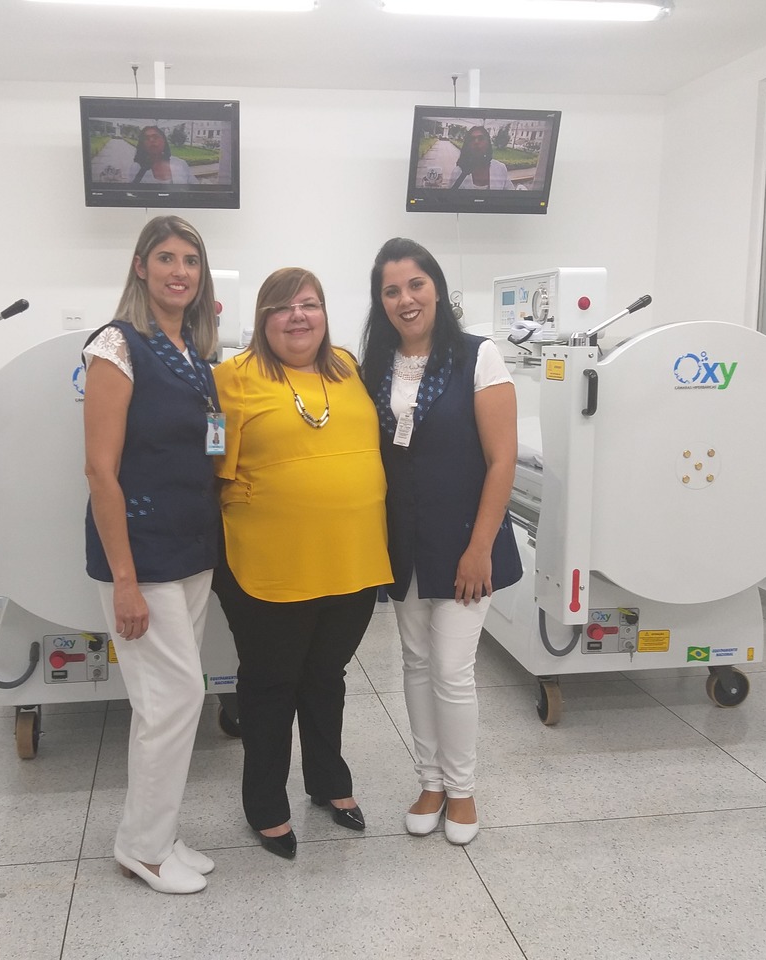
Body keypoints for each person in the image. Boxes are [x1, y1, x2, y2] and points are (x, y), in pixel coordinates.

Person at [212, 267, 392, 860]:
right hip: (269, 563)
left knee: (326, 675)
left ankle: (328, 781)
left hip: (353, 558)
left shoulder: (348, 368)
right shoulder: (231, 379)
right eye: (282, 307)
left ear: (324, 313)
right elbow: (211, 462)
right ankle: (266, 804)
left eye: (309, 304)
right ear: (263, 318)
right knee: (270, 684)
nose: (298, 316)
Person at [359, 237, 522, 846]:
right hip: (404, 543)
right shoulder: (375, 367)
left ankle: (462, 789)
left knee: (452, 670)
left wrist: (479, 549)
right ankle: (429, 781)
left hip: (464, 542)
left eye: (415, 285)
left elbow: (501, 460)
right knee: (416, 663)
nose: (405, 299)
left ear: (437, 289)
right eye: (391, 290)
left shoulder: (478, 356)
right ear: (380, 301)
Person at [82, 215, 222, 894]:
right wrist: (124, 581)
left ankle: (157, 833)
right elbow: (100, 471)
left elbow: (209, 446)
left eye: (190, 260)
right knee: (176, 697)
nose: (179, 272)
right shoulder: (117, 345)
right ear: (140, 267)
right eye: (165, 258)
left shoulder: (194, 352)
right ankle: (142, 847)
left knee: (165, 704)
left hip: (190, 546)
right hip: (141, 553)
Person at [448, 125, 512, 190]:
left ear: (488, 143)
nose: (476, 142)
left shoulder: (500, 168)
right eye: (472, 139)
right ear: (468, 145)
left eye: (481, 138)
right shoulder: (458, 172)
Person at [129, 125, 196, 185]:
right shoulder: (136, 168)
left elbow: (195, 187)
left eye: (155, 137)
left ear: (164, 141)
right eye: (146, 138)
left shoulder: (181, 164)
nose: (151, 140)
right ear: (143, 144)